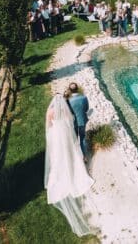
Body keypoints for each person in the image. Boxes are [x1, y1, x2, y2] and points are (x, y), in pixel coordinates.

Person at [44, 94, 96, 236]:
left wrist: (51, 136)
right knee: (70, 155)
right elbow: (70, 121)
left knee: (58, 158)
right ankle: (73, 174)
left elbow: (48, 126)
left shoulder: (50, 112)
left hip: (55, 135)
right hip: (65, 134)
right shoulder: (66, 110)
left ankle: (60, 176)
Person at [68, 83, 89, 162]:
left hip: (74, 122)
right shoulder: (84, 97)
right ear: (77, 88)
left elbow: (69, 112)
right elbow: (86, 109)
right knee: (82, 138)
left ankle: (76, 156)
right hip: (83, 121)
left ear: (70, 90)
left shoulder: (69, 101)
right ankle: (84, 156)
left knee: (75, 138)